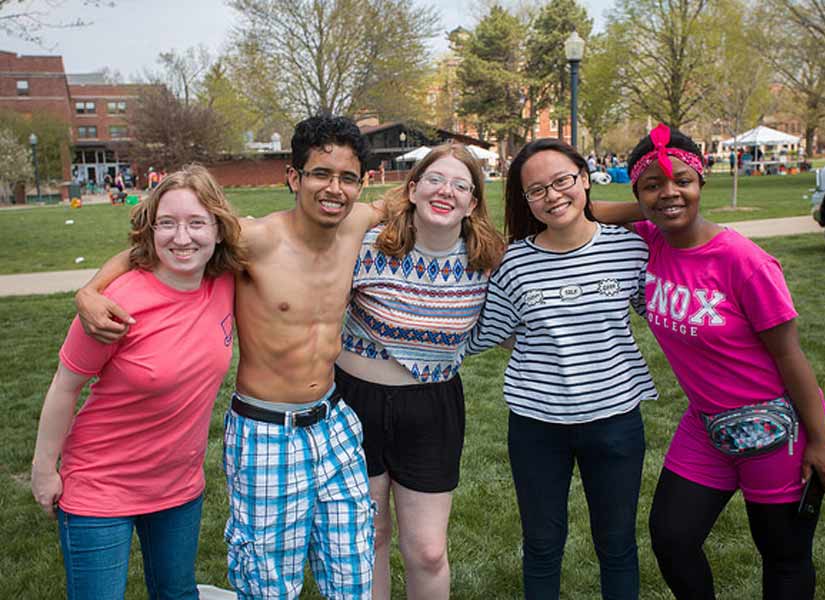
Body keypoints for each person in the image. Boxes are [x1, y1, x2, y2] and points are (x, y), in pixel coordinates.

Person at [75, 114, 385, 599]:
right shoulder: (255, 239)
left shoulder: (359, 223)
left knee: (354, 575)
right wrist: (90, 289)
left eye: (347, 178)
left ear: (361, 184)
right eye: (321, 173)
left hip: (335, 423)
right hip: (266, 432)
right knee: (267, 584)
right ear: (293, 177)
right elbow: (156, 248)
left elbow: (409, 200)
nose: (335, 188)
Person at [596, 123, 825, 599]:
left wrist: (821, 439)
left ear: (702, 183)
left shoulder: (743, 261)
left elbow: (790, 356)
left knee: (783, 555)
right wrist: (657, 204)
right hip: (705, 426)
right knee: (672, 538)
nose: (671, 194)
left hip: (777, 428)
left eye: (683, 182)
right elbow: (587, 210)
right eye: (654, 185)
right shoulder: (653, 238)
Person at [30, 165, 247, 600]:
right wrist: (42, 471)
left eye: (196, 223)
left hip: (179, 488)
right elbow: (65, 386)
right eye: (167, 223)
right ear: (150, 230)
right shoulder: (115, 303)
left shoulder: (224, 281)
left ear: (219, 229)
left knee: (178, 594)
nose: (181, 238)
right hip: (99, 486)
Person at [466, 138, 658, 600]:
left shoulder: (628, 251)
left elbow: (666, 318)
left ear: (585, 179)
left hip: (615, 421)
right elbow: (484, 332)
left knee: (616, 545)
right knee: (542, 545)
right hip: (536, 427)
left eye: (562, 181)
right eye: (537, 190)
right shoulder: (512, 263)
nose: (552, 196)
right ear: (526, 201)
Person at [335, 144, 506, 599]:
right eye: (434, 179)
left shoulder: (485, 263)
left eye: (460, 185)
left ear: (472, 203)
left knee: (428, 550)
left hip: (432, 408)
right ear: (413, 190)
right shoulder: (365, 247)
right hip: (355, 403)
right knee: (368, 537)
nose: (445, 191)